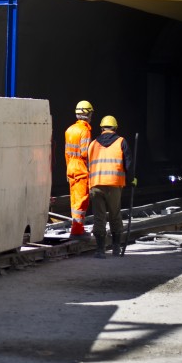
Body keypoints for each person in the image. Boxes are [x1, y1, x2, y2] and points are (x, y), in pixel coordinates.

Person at [88, 115, 135, 258]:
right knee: (115, 215)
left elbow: (88, 163)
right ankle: (116, 248)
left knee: (99, 217)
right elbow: (128, 163)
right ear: (115, 128)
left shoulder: (93, 143)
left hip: (96, 185)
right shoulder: (121, 142)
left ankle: (100, 250)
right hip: (114, 185)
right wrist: (132, 179)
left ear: (102, 128)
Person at [64, 101, 94, 238]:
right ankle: (77, 230)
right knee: (82, 200)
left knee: (74, 199)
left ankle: (76, 227)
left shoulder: (69, 130)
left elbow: (66, 152)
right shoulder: (85, 130)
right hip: (81, 168)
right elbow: (84, 153)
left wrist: (67, 169)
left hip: (71, 167)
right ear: (87, 114)